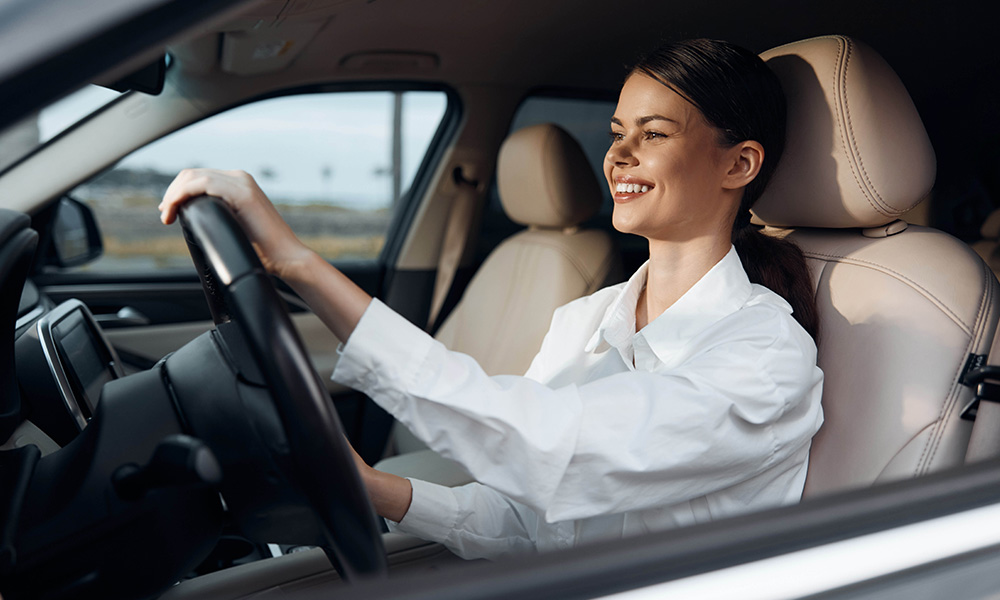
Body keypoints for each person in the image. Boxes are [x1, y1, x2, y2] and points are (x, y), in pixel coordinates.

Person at [159, 39, 824, 561]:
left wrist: (301, 265)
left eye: (652, 134)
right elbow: (524, 520)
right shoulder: (585, 319)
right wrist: (371, 489)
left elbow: (543, 445)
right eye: (617, 131)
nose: (618, 154)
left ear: (738, 165)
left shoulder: (765, 359)